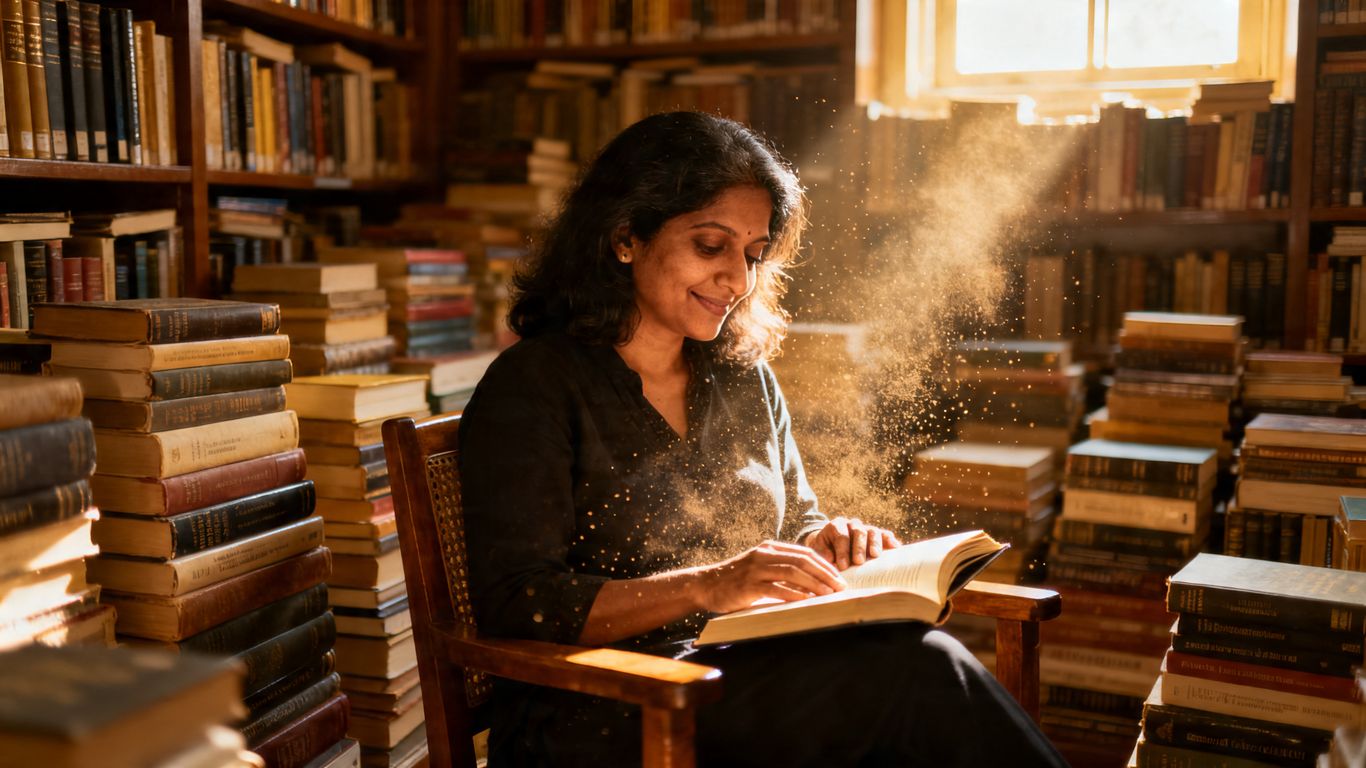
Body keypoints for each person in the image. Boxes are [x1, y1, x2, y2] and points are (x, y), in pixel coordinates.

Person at [458, 111, 1067, 767]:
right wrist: (708, 585)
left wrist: (827, 543)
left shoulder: (742, 378)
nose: (738, 281)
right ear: (625, 235)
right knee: (916, 677)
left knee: (910, 668)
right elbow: (520, 604)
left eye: (753, 255)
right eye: (711, 246)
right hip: (606, 706)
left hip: (740, 667)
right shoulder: (534, 386)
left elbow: (795, 519)